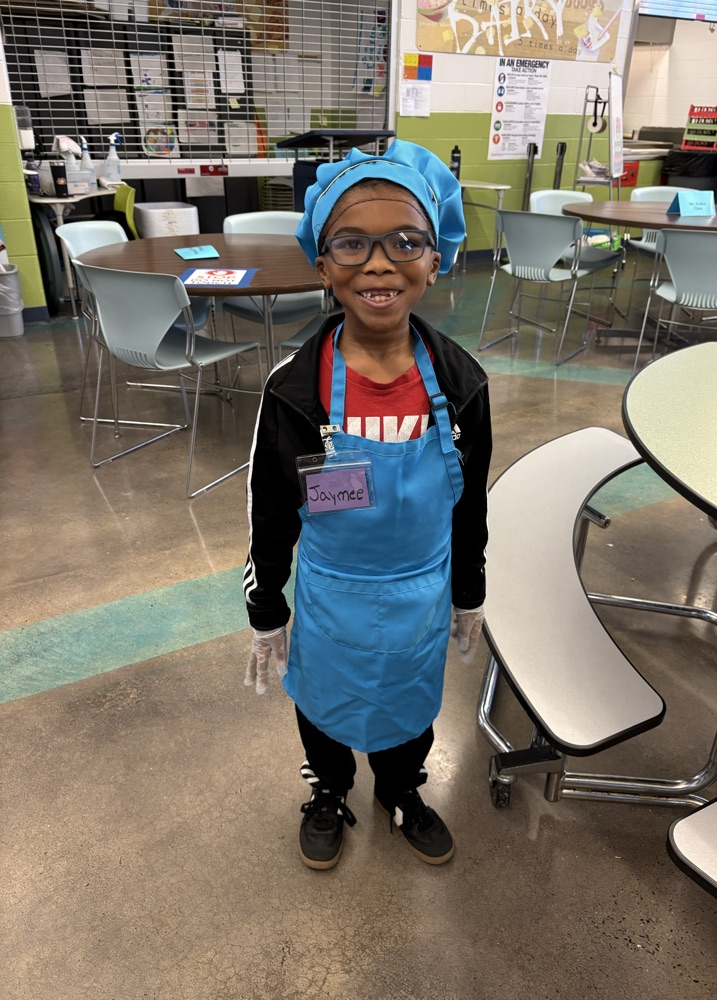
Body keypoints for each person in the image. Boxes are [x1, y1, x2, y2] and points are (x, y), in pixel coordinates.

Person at [242, 139, 492, 870]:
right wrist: (266, 609)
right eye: (351, 243)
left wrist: (468, 594)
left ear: (436, 257)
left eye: (405, 241)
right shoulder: (296, 389)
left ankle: (403, 790)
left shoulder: (461, 384)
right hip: (331, 595)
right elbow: (270, 508)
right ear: (321, 264)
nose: (379, 264)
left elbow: (470, 502)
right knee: (322, 708)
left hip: (421, 590)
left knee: (411, 710)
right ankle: (328, 790)